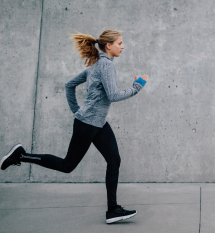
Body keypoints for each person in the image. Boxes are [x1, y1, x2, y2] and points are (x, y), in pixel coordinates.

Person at [0, 30, 148, 224]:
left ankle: (113, 210)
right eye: (120, 43)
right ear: (108, 46)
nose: (123, 46)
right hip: (87, 123)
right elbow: (112, 95)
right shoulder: (105, 65)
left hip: (98, 122)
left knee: (114, 160)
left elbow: (69, 85)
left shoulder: (96, 65)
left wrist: (77, 111)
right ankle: (20, 155)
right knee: (67, 165)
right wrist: (137, 86)